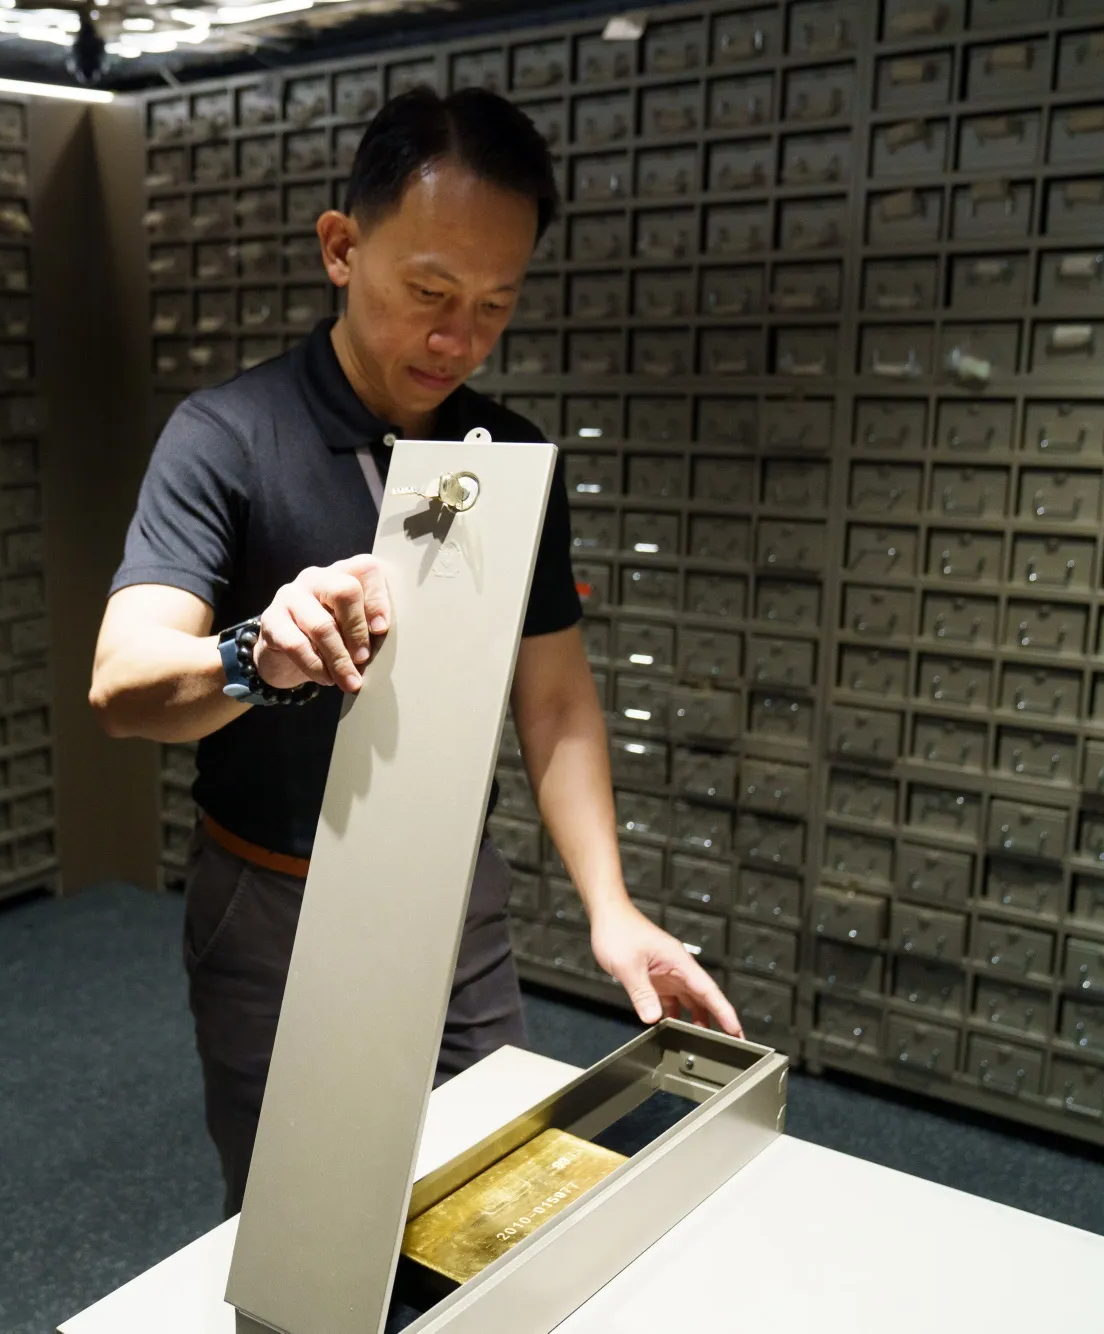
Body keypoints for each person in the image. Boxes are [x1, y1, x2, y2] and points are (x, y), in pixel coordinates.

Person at [89, 86, 741, 1214]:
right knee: (297, 1232)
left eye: (493, 304)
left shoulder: (507, 449)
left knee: (486, 1205)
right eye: (427, 292)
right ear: (340, 248)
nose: (457, 338)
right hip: (270, 902)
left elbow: (553, 700)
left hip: (453, 899)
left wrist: (610, 905)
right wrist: (252, 654)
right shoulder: (226, 435)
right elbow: (124, 684)